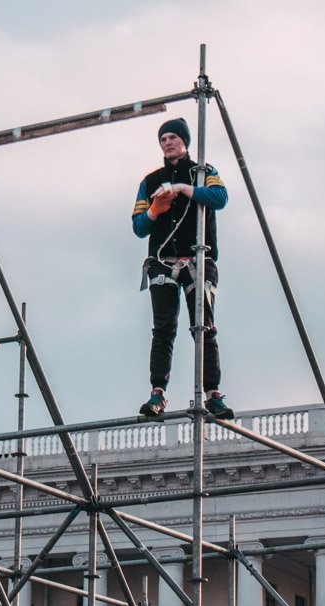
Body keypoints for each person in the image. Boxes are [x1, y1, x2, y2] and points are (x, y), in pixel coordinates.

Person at [131, 117, 234, 420]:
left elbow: (220, 198)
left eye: (173, 137)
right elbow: (138, 227)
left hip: (199, 260)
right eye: (163, 139)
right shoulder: (149, 181)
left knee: (204, 329)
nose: (167, 143)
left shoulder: (203, 172)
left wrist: (182, 188)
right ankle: (157, 394)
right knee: (163, 329)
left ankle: (213, 394)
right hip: (163, 261)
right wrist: (153, 210)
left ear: (185, 141)